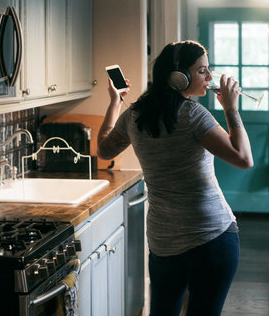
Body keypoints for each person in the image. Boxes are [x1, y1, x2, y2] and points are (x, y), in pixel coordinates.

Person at [97, 40, 254, 316]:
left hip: (164, 244)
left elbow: (103, 149)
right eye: (202, 70)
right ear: (178, 77)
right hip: (213, 239)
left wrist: (115, 102)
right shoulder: (194, 116)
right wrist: (231, 108)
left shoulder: (134, 115)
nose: (209, 77)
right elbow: (243, 158)